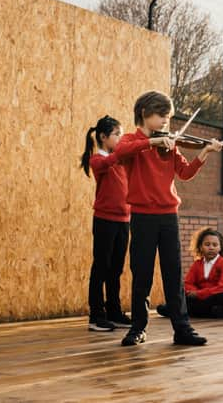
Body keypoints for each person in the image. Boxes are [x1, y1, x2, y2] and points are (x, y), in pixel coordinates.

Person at [114, 90, 222, 346]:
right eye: (161, 115)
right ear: (144, 113)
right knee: (142, 274)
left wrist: (204, 153)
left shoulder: (170, 145)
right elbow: (120, 153)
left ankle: (182, 329)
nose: (166, 121)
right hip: (142, 216)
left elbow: (184, 173)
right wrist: (152, 142)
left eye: (168, 116)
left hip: (168, 217)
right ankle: (138, 328)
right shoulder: (132, 141)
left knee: (174, 274)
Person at [80, 115, 131, 331]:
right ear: (103, 137)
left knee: (116, 269)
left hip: (124, 220)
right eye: (117, 134)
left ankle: (114, 312)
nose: (120, 138)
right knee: (101, 267)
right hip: (104, 220)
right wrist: (124, 149)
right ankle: (96, 316)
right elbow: (109, 161)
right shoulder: (98, 160)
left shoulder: (119, 160)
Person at [157, 227, 223, 318]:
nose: (211, 248)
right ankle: (207, 311)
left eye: (215, 245)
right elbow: (188, 283)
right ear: (200, 247)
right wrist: (194, 293)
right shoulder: (197, 264)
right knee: (183, 296)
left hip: (214, 296)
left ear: (220, 247)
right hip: (198, 299)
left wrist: (199, 294)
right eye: (207, 244)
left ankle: (180, 310)